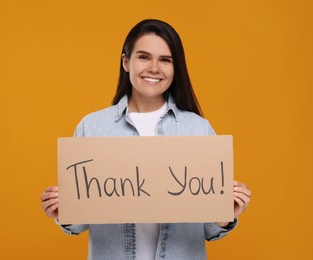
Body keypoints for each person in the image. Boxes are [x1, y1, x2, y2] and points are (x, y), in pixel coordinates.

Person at [40, 19, 251, 260]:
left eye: (165, 60)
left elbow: (208, 230)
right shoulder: (92, 127)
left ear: (175, 68)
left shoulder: (198, 129)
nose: (154, 68)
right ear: (126, 62)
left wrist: (225, 213)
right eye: (143, 57)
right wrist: (61, 211)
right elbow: (79, 225)